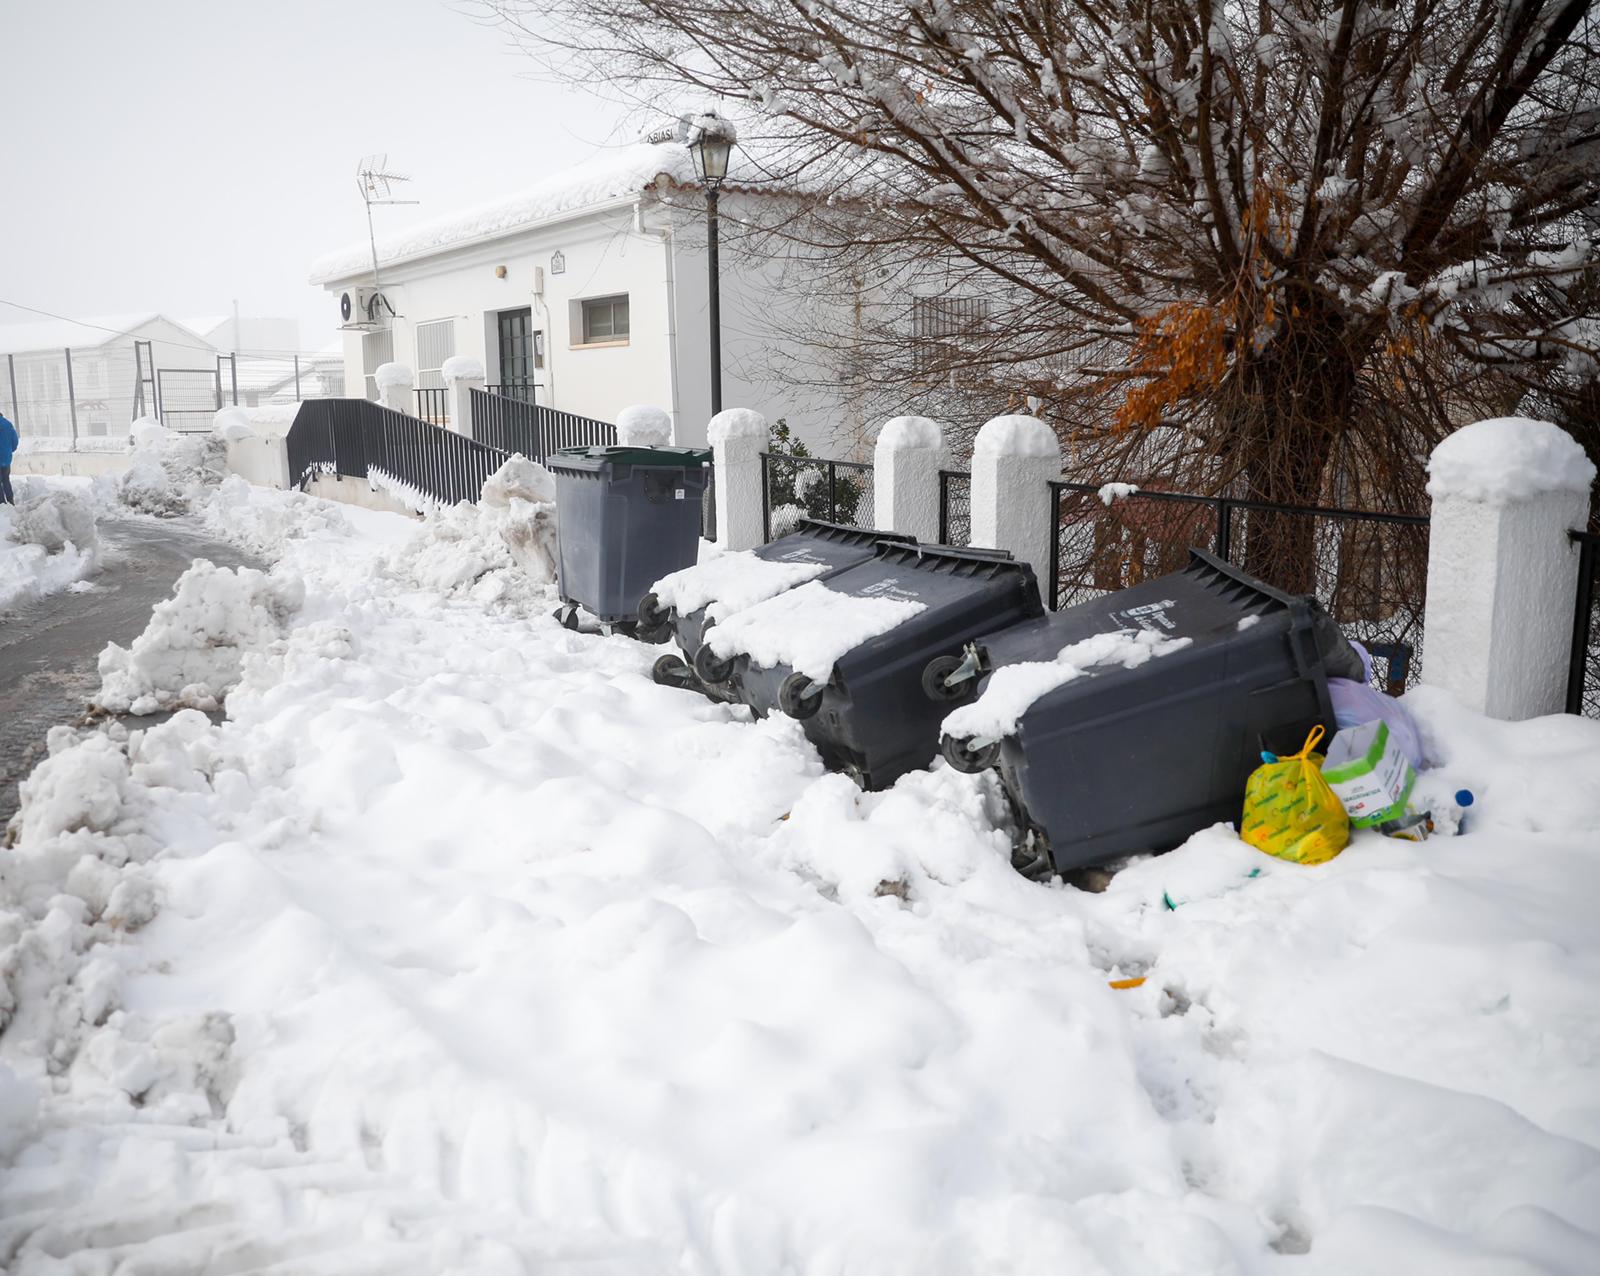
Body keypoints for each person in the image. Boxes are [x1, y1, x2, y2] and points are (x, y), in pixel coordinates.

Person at [0, 411, 17, 505]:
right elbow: (15, 441)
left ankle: (2, 504)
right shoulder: (8, 424)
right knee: (6, 479)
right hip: (6, 459)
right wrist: (8, 451)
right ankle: (11, 500)